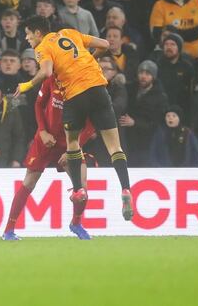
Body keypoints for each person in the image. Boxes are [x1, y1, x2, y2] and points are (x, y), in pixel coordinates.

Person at [15, 15, 133, 221]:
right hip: (98, 89)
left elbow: (47, 71)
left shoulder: (42, 47)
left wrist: (27, 85)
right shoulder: (71, 34)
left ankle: (78, 189)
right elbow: (106, 44)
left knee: (72, 144)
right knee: (115, 147)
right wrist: (88, 58)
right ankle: (126, 189)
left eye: (27, 34)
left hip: (75, 94)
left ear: (37, 33)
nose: (27, 39)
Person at [3, 75, 96, 241]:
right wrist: (43, 131)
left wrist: (71, 149)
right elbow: (39, 105)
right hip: (45, 139)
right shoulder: (52, 79)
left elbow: (90, 124)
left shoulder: (86, 85)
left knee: (81, 187)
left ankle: (76, 223)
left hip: (70, 143)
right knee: (29, 182)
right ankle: (9, 230)